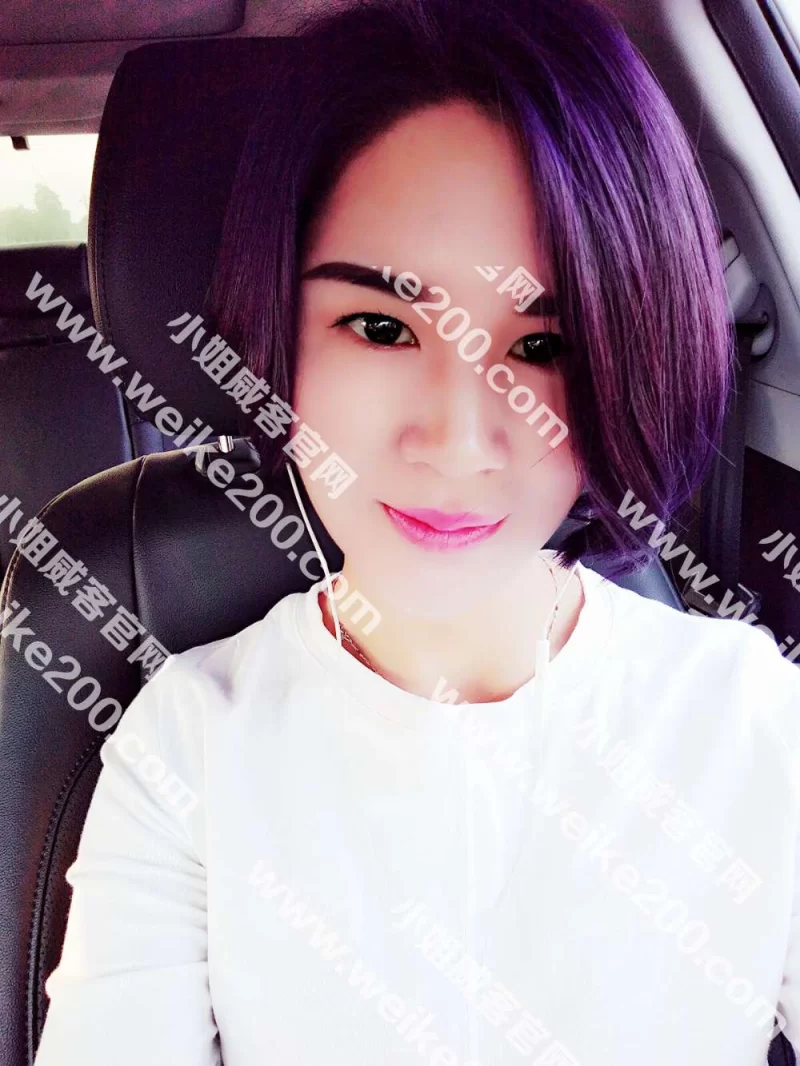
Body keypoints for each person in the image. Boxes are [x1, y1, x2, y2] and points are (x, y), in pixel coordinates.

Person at [35, 0, 800, 1064]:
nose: (456, 440)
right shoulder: (188, 749)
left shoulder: (752, 718)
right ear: (277, 335)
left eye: (542, 346)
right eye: (381, 326)